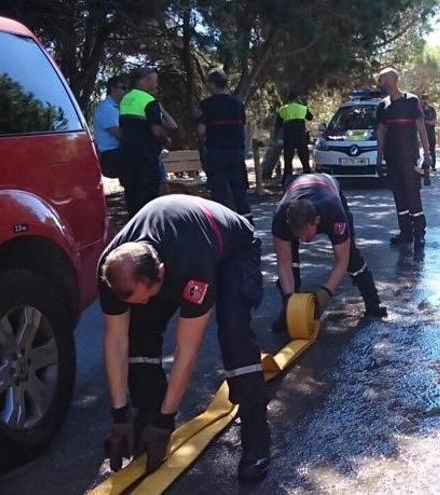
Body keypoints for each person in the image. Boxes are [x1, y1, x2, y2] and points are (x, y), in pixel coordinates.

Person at [99, 194, 270, 481]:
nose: (139, 305)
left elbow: (186, 350)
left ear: (161, 274)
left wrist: (168, 421)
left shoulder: (191, 266)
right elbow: (116, 342)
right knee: (139, 331)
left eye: (143, 297)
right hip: (175, 250)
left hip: (233, 249)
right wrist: (119, 416)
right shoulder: (112, 270)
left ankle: (256, 435)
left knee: (233, 333)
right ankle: (146, 417)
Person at [271, 173, 387, 326]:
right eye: (298, 235)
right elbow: (283, 263)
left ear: (317, 221)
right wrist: (289, 300)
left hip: (327, 186)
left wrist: (326, 292)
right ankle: (287, 310)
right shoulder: (281, 218)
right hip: (298, 188)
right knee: (291, 258)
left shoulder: (333, 213)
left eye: (306, 234)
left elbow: (342, 260)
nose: (304, 240)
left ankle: (373, 302)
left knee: (351, 256)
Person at [376, 68, 433, 246]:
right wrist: (379, 156)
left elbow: (421, 128)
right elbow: (381, 131)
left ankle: (419, 233)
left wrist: (427, 154)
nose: (381, 83)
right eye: (380, 80)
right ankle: (405, 233)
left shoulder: (412, 101)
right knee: (398, 195)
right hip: (392, 158)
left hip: (410, 157)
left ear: (394, 79)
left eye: (383, 79)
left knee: (412, 193)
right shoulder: (382, 106)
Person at [197, 69, 251, 222]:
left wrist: (198, 119)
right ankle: (248, 225)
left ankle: (222, 226)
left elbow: (201, 131)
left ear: (213, 84)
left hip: (217, 153)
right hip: (236, 152)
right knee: (239, 192)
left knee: (219, 193)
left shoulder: (207, 105)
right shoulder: (238, 104)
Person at [119, 67, 170, 215]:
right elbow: (156, 130)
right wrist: (166, 140)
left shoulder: (125, 99)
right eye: (155, 81)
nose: (156, 85)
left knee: (132, 194)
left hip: (127, 155)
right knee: (147, 197)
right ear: (146, 80)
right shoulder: (149, 100)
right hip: (146, 156)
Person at [274, 91, 314, 183]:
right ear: (297, 99)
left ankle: (286, 181)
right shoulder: (303, 108)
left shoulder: (283, 109)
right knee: (304, 159)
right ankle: (309, 179)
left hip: (289, 136)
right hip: (301, 136)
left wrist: (275, 137)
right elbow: (310, 117)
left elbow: (278, 125)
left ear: (288, 99)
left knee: (288, 160)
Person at [93, 76, 127, 180]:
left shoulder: (118, 107)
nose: (126, 91)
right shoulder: (106, 108)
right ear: (113, 88)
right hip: (110, 155)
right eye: (123, 88)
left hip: (118, 153)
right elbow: (119, 134)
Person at [421, 95, 438, 170]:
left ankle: (433, 165)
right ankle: (425, 165)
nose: (425, 101)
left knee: (432, 149)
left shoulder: (432, 110)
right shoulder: (420, 110)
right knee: (424, 149)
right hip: (423, 132)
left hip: (431, 132)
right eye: (423, 99)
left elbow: (434, 122)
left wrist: (425, 121)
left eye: (426, 99)